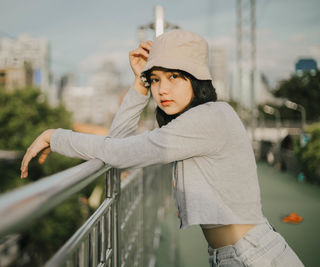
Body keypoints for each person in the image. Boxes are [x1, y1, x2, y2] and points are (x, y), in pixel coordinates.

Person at [20, 30, 303, 267]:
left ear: (197, 79)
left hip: (253, 256)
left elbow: (118, 154)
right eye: (155, 79)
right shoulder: (188, 123)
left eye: (175, 77)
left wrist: (53, 136)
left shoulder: (209, 117)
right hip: (232, 255)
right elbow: (117, 145)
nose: (162, 89)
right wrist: (138, 84)